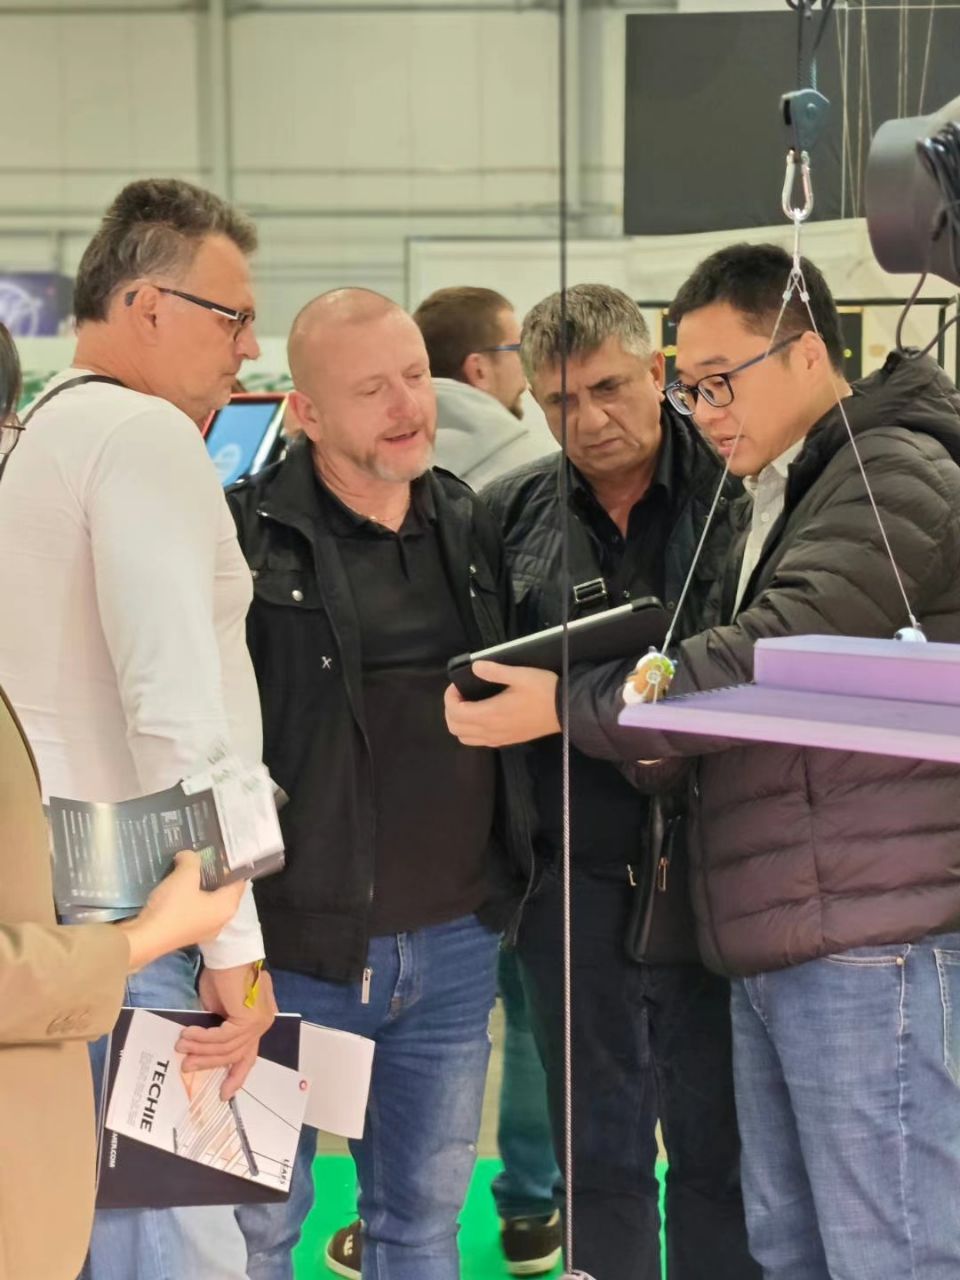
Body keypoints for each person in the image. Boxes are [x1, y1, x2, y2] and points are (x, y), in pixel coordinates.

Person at [446, 243, 960, 1280]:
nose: (705, 408)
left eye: (718, 380)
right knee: (789, 1239)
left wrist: (567, 703)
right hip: (769, 913)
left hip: (861, 927)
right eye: (696, 385)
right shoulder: (784, 485)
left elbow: (763, 660)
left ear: (807, 353)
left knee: (884, 1242)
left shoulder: (883, 474)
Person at [227, 287, 535, 1280]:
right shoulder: (244, 540)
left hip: (452, 948)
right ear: (306, 412)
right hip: (290, 954)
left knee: (420, 1227)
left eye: (413, 376)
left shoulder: (473, 523)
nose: (406, 405)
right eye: (371, 390)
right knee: (252, 1231)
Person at [0, 181, 276, 1280]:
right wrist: (234, 947)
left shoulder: (45, 434)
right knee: (175, 1249)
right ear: (148, 305)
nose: (248, 348)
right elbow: (179, 712)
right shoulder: (141, 433)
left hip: (73, 897)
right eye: (233, 317)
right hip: (137, 899)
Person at [477, 284, 756, 1280]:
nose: (589, 418)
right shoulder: (507, 515)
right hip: (572, 879)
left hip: (722, 864)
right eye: (561, 400)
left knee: (722, 1152)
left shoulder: (742, 494)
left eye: (607, 388)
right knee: (597, 1155)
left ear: (655, 371)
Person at [413, 285, 557, 489]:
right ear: (479, 370)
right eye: (518, 349)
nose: (527, 365)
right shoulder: (542, 478)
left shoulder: (382, 470)